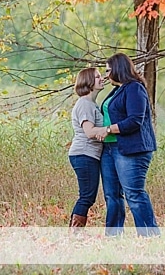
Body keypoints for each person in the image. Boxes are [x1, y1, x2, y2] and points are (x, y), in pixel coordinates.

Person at [97, 53, 160, 236]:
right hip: (109, 149)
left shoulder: (134, 88)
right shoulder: (117, 90)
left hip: (131, 149)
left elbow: (135, 120)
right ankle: (113, 237)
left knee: (134, 194)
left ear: (118, 68)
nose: (106, 75)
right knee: (112, 196)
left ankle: (149, 236)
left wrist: (108, 129)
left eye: (108, 70)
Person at [68, 66, 108, 227]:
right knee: (87, 196)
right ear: (89, 82)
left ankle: (74, 233)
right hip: (84, 154)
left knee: (87, 195)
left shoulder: (92, 104)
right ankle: (74, 234)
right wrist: (109, 130)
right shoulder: (85, 104)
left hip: (89, 155)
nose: (102, 78)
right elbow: (89, 132)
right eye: (98, 77)